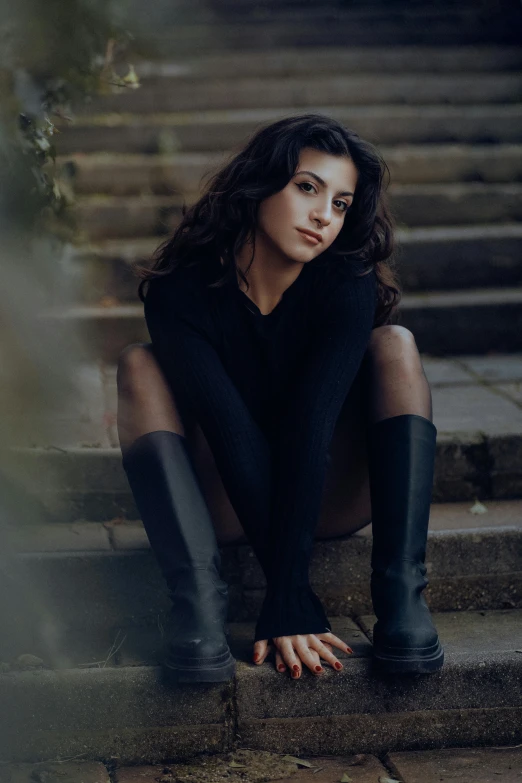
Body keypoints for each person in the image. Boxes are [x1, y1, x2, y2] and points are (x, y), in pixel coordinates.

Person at [117, 113, 444, 683]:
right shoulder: (181, 292)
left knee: (395, 344)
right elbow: (228, 429)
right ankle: (197, 604)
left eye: (342, 204)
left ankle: (401, 597)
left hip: (330, 491)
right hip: (222, 499)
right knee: (137, 362)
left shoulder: (347, 279)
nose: (324, 216)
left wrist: (288, 596)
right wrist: (287, 594)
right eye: (308, 188)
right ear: (259, 185)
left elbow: (311, 426)